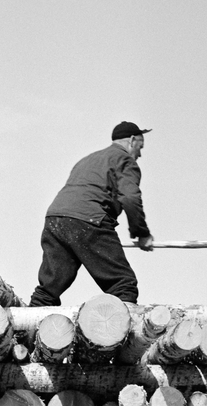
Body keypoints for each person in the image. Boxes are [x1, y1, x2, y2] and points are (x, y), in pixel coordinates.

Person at [28, 121, 155, 306]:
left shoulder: (88, 159)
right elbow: (130, 198)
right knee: (123, 285)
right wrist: (141, 233)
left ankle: (25, 332)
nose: (140, 154)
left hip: (56, 219)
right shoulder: (124, 160)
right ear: (132, 140)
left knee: (49, 289)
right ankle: (120, 332)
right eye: (140, 147)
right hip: (88, 220)